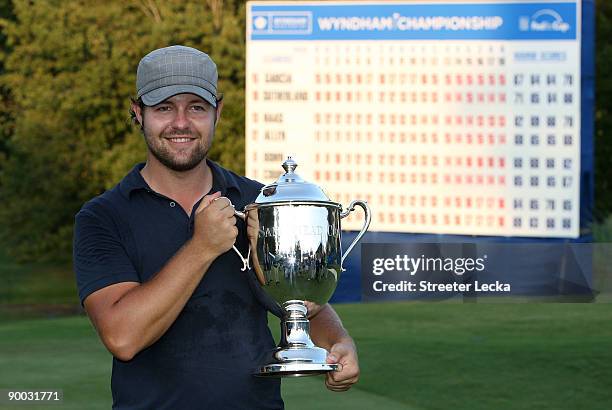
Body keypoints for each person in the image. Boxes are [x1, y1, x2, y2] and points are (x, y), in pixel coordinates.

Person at [73, 45, 359, 409]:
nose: (181, 123)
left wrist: (338, 342)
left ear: (217, 113)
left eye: (196, 107)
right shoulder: (103, 216)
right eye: (164, 108)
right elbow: (122, 337)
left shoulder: (259, 199)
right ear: (138, 113)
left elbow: (298, 298)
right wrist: (202, 246)